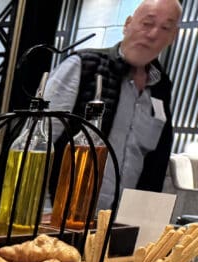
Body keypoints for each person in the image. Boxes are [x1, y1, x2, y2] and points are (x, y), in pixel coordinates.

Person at [44, 0, 182, 211]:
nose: (153, 34)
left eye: (165, 28)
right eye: (147, 23)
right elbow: (40, 141)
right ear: (127, 24)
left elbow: (156, 163)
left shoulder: (161, 88)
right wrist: (43, 211)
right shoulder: (84, 66)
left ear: (172, 37)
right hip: (63, 214)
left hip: (121, 223)